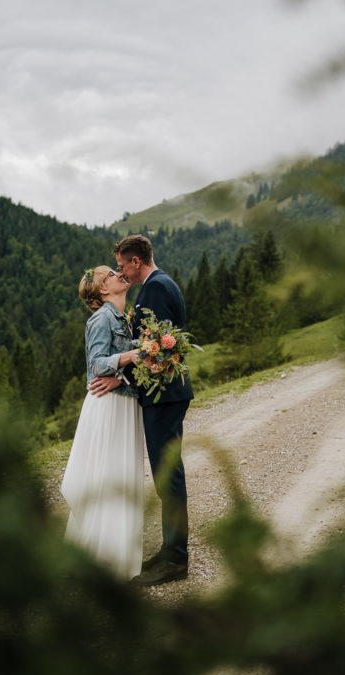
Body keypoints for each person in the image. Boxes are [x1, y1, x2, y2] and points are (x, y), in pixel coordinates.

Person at [89, 235, 193, 586]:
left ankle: (176, 559)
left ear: (136, 262)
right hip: (163, 394)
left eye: (122, 265)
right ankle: (170, 551)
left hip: (163, 394)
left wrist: (120, 380)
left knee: (168, 476)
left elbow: (158, 349)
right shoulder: (161, 285)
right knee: (168, 474)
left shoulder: (156, 289)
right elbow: (155, 347)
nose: (122, 272)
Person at [60, 266, 144, 579]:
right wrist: (131, 357)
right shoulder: (101, 319)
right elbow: (95, 364)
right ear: (103, 290)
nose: (119, 274)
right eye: (111, 273)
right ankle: (102, 560)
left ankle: (120, 556)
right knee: (108, 477)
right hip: (109, 407)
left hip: (126, 404)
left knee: (123, 475)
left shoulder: (126, 318)